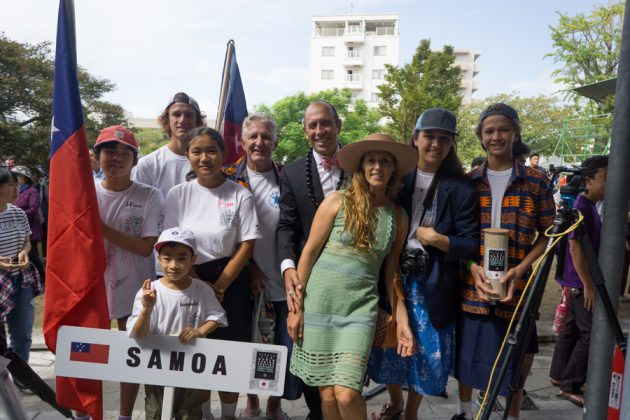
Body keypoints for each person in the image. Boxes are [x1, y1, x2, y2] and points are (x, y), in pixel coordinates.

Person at [288, 133, 417, 420]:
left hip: (360, 310)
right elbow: (307, 254)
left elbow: (391, 273)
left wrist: (402, 317)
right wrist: (295, 309)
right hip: (319, 304)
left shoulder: (398, 215)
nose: (378, 167)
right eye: (371, 160)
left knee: (347, 393)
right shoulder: (335, 201)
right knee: (328, 395)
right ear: (361, 166)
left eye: (385, 161)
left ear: (394, 168)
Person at [368, 109, 479, 420]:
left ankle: (411, 411)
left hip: (433, 281)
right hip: (392, 277)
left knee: (423, 351)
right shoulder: (395, 179)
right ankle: (395, 402)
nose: (435, 144)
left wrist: (436, 239)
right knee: (389, 343)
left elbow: (471, 243)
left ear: (451, 145)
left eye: (444, 139)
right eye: (429, 136)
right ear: (415, 138)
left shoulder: (461, 188)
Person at [454, 103, 556, 420]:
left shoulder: (536, 181)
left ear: (515, 133)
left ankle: (511, 416)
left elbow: (549, 232)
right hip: (475, 285)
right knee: (469, 356)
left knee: (515, 359)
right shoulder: (468, 182)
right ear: (481, 137)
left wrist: (522, 268)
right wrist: (472, 268)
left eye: (503, 129)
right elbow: (459, 237)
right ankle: (464, 411)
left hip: (518, 286)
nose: (496, 136)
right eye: (489, 131)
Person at [163, 127, 261, 419]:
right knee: (198, 354)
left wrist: (218, 287)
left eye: (211, 151)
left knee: (228, 357)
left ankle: (229, 414)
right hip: (187, 279)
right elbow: (170, 241)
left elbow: (246, 245)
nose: (204, 158)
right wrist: (197, 282)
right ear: (187, 155)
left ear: (223, 155)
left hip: (230, 281)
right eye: (197, 151)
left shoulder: (240, 194)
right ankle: (204, 414)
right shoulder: (177, 194)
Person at [276, 100, 346, 420]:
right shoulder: (291, 172)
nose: (320, 131)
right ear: (306, 131)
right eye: (313, 125)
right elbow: (286, 226)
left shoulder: (359, 164)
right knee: (308, 347)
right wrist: (288, 267)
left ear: (338, 125)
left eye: (325, 123)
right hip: (310, 276)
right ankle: (317, 412)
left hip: (351, 278)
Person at [223, 113, 293, 419]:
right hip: (245, 280)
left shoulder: (287, 178)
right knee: (250, 343)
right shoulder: (227, 178)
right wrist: (249, 265)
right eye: (253, 136)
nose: (259, 142)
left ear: (275, 143)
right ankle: (251, 402)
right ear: (242, 141)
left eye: (266, 137)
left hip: (284, 279)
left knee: (279, 346)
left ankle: (274, 405)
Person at [93, 125, 164, 420]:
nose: (117, 158)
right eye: (110, 151)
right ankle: (88, 412)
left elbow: (146, 247)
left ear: (135, 161)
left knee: (131, 354)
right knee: (90, 354)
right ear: (98, 156)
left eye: (126, 153)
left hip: (135, 287)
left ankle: (124, 415)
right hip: (92, 286)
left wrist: (99, 228)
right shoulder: (84, 193)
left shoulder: (150, 195)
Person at [127, 227, 227, 420]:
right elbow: (138, 334)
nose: (174, 265)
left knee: (189, 413)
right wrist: (147, 308)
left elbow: (217, 317)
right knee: (155, 412)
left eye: (182, 258)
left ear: (193, 260)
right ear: (158, 259)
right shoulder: (149, 291)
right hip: (155, 365)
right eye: (167, 258)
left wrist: (198, 332)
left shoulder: (201, 289)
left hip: (190, 365)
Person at [549, 155, 608, 407]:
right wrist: (588, 284)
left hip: (576, 281)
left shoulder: (590, 206)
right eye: (606, 178)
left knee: (570, 329)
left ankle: (558, 374)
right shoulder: (581, 207)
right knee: (590, 334)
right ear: (588, 180)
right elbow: (574, 248)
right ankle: (570, 384)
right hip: (578, 282)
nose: (611, 183)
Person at [0, 167, 43, 392]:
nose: (17, 189)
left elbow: (27, 241)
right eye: (11, 185)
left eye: (16, 185)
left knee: (22, 333)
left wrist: (25, 252)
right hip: (1, 282)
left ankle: (21, 376)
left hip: (21, 279)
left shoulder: (17, 213)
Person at [133, 92, 206, 198]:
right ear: (167, 120)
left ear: (197, 122)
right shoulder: (148, 164)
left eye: (189, 115)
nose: (182, 120)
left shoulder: (207, 164)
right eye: (176, 114)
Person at [11, 166, 45, 283]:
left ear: (24, 178)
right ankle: (29, 278)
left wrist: (16, 213)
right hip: (17, 228)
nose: (15, 179)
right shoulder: (16, 190)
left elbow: (33, 209)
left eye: (17, 177)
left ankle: (43, 278)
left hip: (32, 228)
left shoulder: (32, 191)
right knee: (23, 254)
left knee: (34, 255)